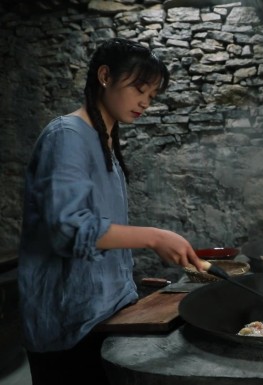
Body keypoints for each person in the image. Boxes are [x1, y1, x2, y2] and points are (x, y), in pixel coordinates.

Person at [17, 38, 206, 385]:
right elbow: (68, 229)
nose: (145, 102)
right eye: (139, 88)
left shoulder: (104, 140)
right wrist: (153, 237)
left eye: (151, 95)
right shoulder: (67, 135)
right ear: (105, 75)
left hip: (107, 312)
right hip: (69, 323)